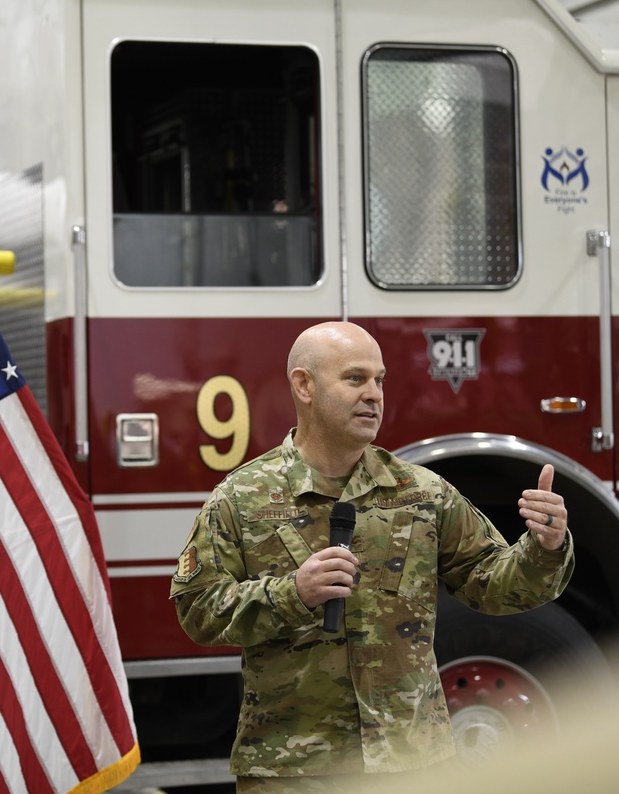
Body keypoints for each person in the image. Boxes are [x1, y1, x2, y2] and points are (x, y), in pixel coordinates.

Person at [170, 321, 574, 793]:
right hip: (296, 768)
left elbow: (492, 585)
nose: (374, 395)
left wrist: (544, 548)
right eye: (355, 379)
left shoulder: (422, 493)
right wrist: (292, 594)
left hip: (413, 764)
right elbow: (196, 609)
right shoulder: (242, 498)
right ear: (304, 385)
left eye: (380, 380)